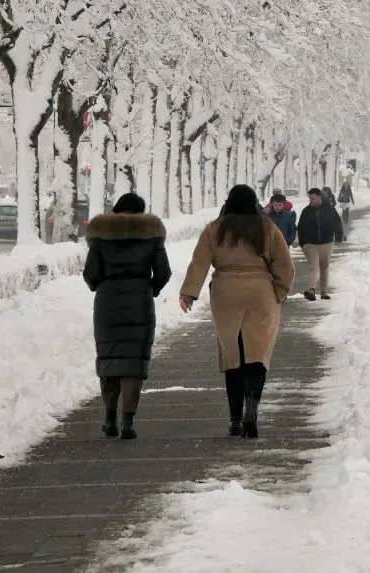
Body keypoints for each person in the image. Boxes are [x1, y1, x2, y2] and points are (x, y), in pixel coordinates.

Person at [179, 185, 295, 439]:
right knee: (257, 353)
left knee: (233, 354)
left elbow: (199, 262)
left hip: (226, 292)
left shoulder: (215, 228)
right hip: (260, 291)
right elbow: (284, 263)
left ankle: (234, 418)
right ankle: (251, 409)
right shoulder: (266, 228)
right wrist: (280, 291)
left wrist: (188, 293)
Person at [84, 192, 172, 440]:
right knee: (134, 362)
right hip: (139, 301)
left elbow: (90, 273)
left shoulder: (100, 233)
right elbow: (163, 272)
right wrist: (151, 289)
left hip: (107, 303)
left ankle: (109, 419)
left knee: (109, 358)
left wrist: (100, 286)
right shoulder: (151, 232)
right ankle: (128, 422)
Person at [297, 188, 344, 301]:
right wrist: (302, 242)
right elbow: (301, 227)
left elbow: (337, 224)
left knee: (324, 267)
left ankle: (324, 293)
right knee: (314, 267)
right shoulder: (306, 211)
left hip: (326, 243)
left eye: (313, 198)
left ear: (319, 197)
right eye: (310, 198)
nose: (311, 200)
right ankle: (311, 290)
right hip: (310, 244)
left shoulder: (329, 210)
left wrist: (338, 237)